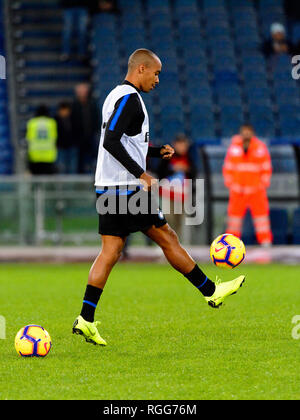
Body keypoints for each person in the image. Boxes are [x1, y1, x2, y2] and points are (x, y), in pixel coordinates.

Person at [72, 49, 245, 346]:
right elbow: (112, 142)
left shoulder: (115, 95)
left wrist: (154, 151)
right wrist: (141, 173)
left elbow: (118, 141)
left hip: (106, 186)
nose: (157, 79)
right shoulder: (131, 99)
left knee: (110, 251)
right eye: (156, 73)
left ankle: (85, 319)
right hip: (126, 190)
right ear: (141, 69)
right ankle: (210, 293)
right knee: (167, 237)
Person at [223, 124, 273, 246]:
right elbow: (228, 168)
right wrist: (232, 185)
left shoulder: (260, 148)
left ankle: (265, 243)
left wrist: (261, 185)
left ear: (252, 133)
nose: (246, 134)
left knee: (261, 219)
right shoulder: (234, 148)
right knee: (234, 220)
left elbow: (266, 168)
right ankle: (231, 245)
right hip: (238, 191)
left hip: (256, 190)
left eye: (248, 132)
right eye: (244, 132)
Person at [157, 133, 197, 241]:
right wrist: (173, 169)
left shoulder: (190, 158)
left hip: (184, 196)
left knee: (182, 224)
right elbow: (160, 173)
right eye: (179, 144)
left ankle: (181, 247)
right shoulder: (168, 157)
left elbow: (194, 174)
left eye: (184, 144)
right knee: (168, 221)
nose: (182, 147)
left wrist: (187, 169)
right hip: (168, 195)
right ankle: (167, 245)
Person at [71, 83, 101, 174]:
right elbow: (73, 120)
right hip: (79, 136)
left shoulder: (92, 104)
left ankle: (95, 173)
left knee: (94, 156)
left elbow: (97, 117)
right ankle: (80, 174)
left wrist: (96, 130)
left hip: (91, 135)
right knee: (80, 157)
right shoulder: (75, 105)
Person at [26, 105, 57, 175]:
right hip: (49, 156)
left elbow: (29, 138)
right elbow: (54, 137)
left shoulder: (32, 123)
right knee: (48, 182)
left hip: (35, 156)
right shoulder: (52, 123)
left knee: (36, 182)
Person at [55, 102, 78, 174]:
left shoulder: (73, 118)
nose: (64, 112)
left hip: (72, 146)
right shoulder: (56, 120)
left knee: (72, 168)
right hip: (61, 147)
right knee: (61, 167)